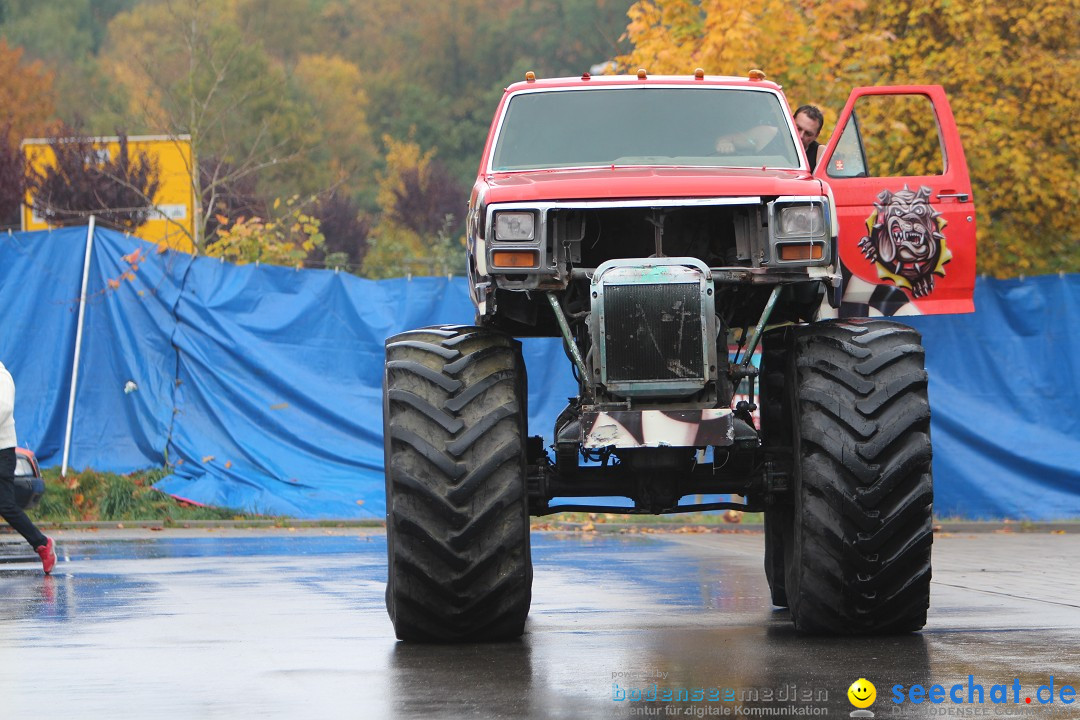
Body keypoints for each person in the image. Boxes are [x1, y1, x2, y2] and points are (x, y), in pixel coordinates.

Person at [0, 360, 56, 574]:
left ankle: (42, 544)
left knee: (5, 505)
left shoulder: (3, 377)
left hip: (2, 452)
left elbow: (3, 409)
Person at [793, 104, 824, 169]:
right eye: (798, 128)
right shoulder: (771, 142)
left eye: (808, 133)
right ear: (790, 122)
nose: (801, 136)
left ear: (816, 135)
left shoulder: (820, 156)